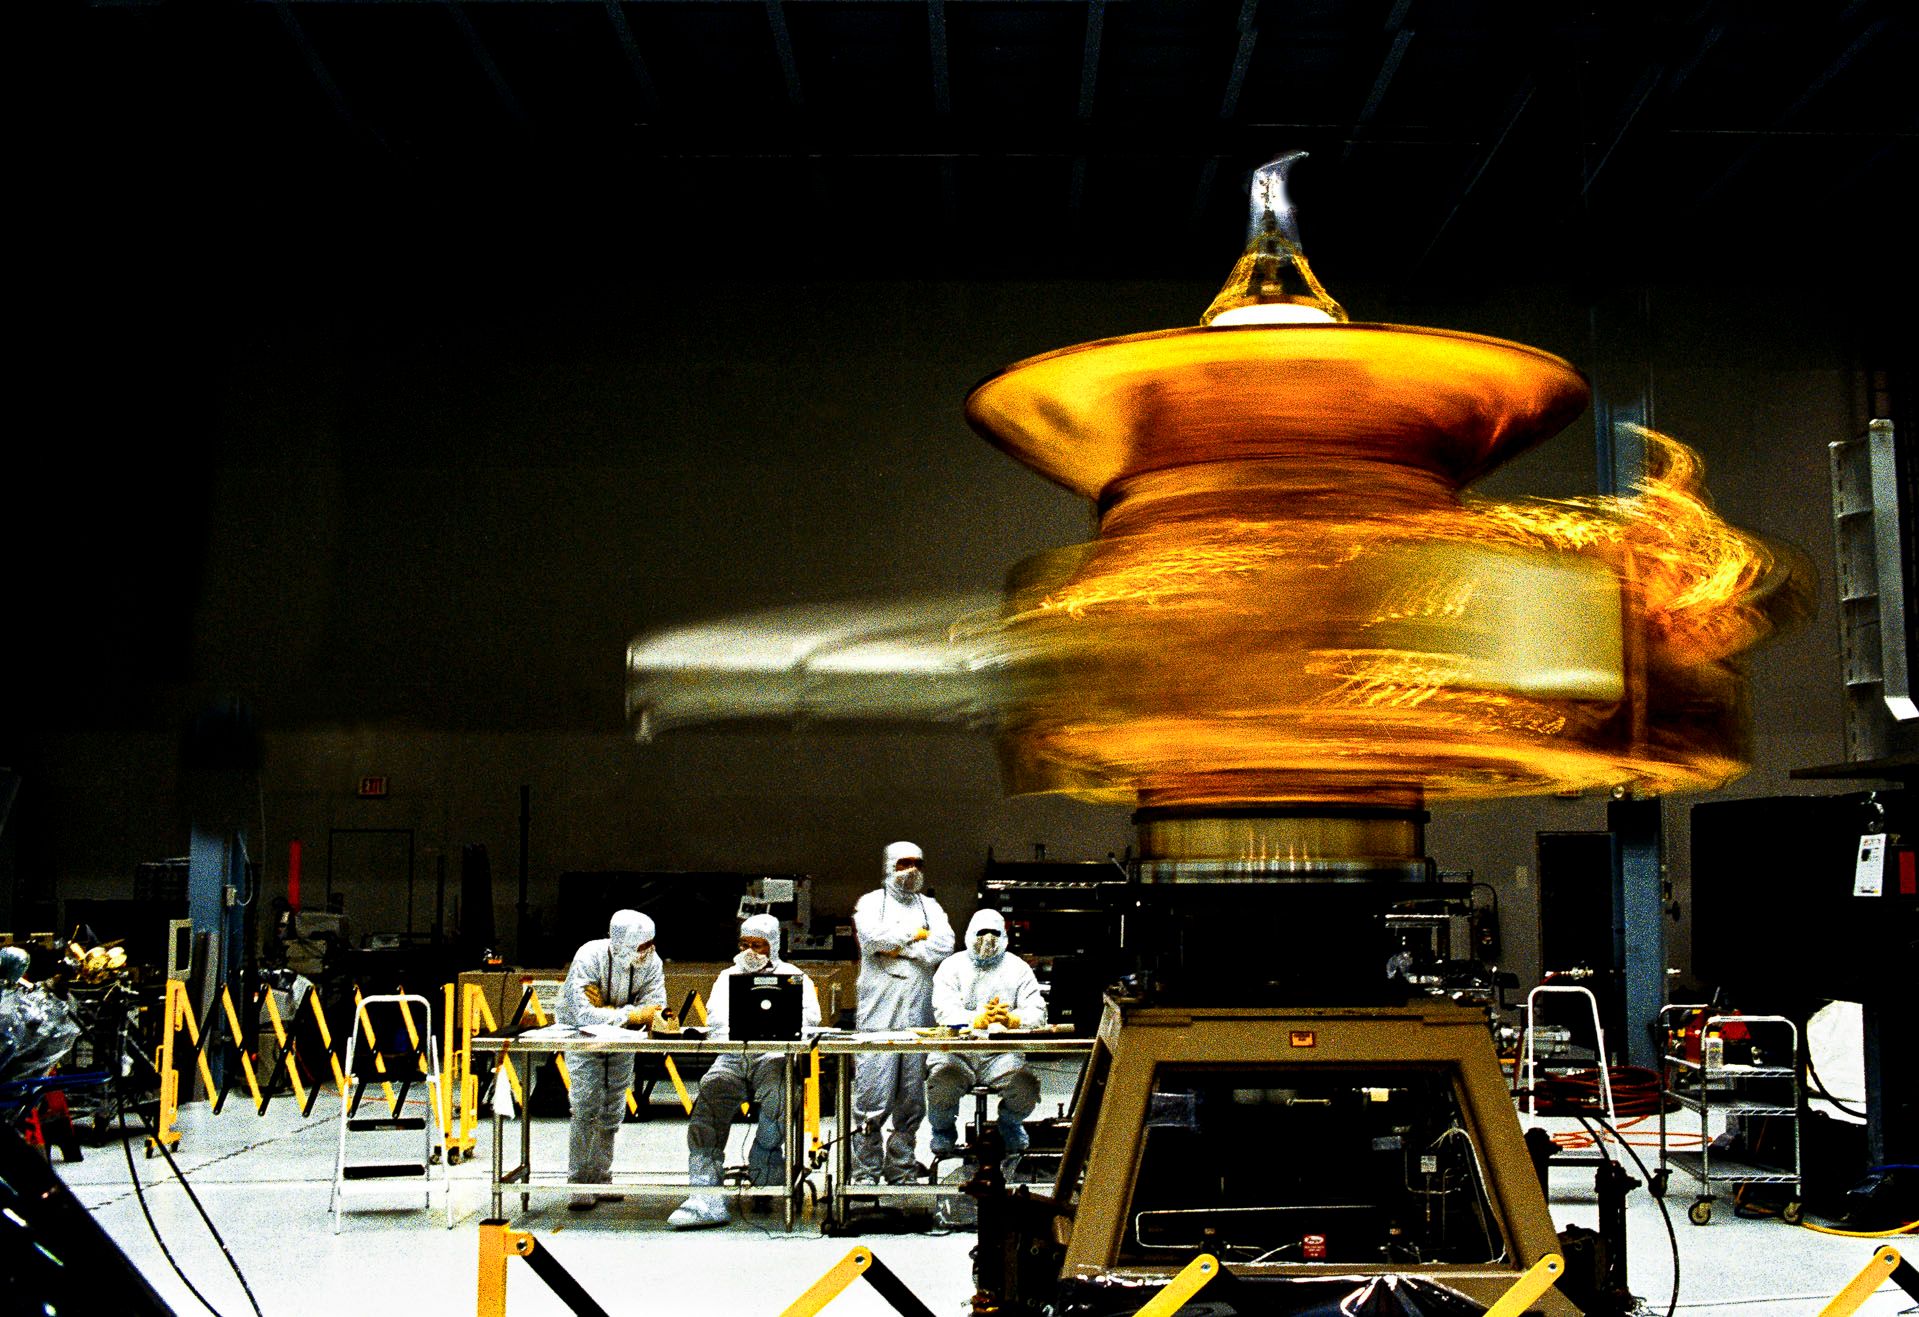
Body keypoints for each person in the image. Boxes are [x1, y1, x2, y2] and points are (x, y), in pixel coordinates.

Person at [668, 913, 822, 1229]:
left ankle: (765, 1168)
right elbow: (716, 1021)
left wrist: (778, 1029)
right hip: (732, 1056)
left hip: (774, 1056)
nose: (750, 951)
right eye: (745, 944)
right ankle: (705, 1196)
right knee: (710, 1095)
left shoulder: (795, 977)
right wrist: (742, 1027)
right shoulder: (727, 977)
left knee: (781, 1096)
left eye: (758, 945)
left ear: (773, 945)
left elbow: (811, 1021)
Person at [849, 841, 954, 1185]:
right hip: (878, 1016)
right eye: (904, 863)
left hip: (918, 1015)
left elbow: (944, 944)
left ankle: (902, 1168)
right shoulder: (870, 903)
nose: (912, 871)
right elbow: (872, 938)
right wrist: (915, 940)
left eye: (918, 864)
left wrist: (902, 950)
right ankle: (865, 1172)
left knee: (911, 1096)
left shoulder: (931, 907)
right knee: (872, 1092)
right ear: (890, 866)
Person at [556, 909, 668, 1211]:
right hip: (580, 1036)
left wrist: (613, 1012)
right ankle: (579, 1183)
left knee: (613, 1108)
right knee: (585, 1105)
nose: (649, 952)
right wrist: (630, 1013)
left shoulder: (651, 962)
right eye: (642, 946)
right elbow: (583, 1014)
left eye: (650, 944)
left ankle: (602, 1178)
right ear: (622, 944)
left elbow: (656, 1005)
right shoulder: (588, 956)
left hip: (625, 1040)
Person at [926, 909, 1047, 1160]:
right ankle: (943, 1130)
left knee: (1025, 1087)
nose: (987, 939)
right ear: (970, 935)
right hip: (956, 1054)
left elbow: (1037, 1012)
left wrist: (1013, 1020)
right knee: (942, 1086)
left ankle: (1010, 1123)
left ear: (1004, 936)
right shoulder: (951, 967)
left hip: (1001, 1055)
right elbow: (943, 1011)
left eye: (994, 933)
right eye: (982, 933)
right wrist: (974, 1020)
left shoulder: (1018, 969)